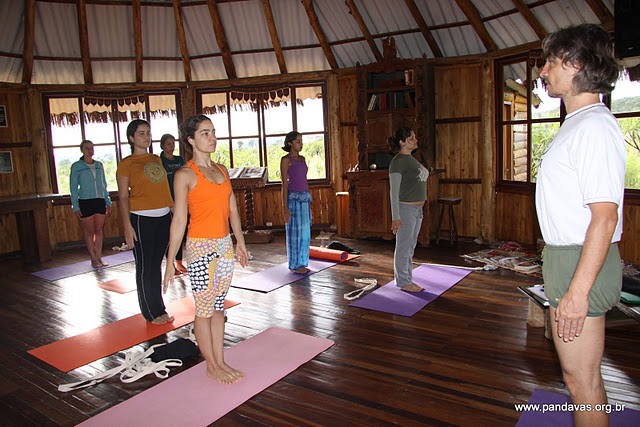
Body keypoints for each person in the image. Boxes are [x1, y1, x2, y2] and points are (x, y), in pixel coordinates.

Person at [535, 24, 626, 426]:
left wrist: (577, 291)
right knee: (583, 378)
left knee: (580, 382)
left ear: (575, 64)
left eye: (550, 62)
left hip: (580, 262)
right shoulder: (579, 123)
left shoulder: (593, 126)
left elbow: (605, 217)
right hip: (567, 258)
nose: (543, 71)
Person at [163, 114, 249, 384]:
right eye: (204, 133)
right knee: (204, 309)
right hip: (200, 248)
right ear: (190, 139)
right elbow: (178, 220)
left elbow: (232, 208)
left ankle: (221, 360)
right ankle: (211, 365)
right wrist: (169, 262)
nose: (212, 137)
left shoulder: (222, 170)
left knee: (219, 307)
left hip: (223, 245)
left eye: (213, 132)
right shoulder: (185, 174)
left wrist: (240, 243)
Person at [117, 119, 175, 325]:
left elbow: (164, 189)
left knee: (156, 265)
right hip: (141, 218)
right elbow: (123, 196)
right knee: (145, 266)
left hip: (163, 216)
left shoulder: (156, 159)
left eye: (148, 132)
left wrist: (174, 210)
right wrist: (127, 226)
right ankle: (150, 312)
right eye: (141, 133)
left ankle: (160, 308)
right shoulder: (127, 163)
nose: (146, 136)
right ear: (131, 138)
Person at [388, 127, 428, 293]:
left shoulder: (410, 159)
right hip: (406, 210)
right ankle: (404, 282)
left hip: (417, 210)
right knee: (404, 246)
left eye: (414, 137)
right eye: (411, 138)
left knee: (410, 246)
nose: (415, 140)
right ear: (402, 142)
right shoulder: (398, 162)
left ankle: (406, 278)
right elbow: (394, 192)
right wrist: (396, 217)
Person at [69, 140, 112, 268]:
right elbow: (73, 187)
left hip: (99, 200)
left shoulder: (99, 165)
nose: (90, 150)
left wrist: (107, 201)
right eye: (87, 148)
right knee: (90, 231)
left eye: (92, 148)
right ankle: (93, 258)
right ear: (82, 150)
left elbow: (104, 184)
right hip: (85, 201)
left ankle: (99, 257)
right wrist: (75, 206)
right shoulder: (77, 166)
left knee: (99, 230)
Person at [280, 131, 312, 274]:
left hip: (304, 198)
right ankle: (294, 264)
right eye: (298, 141)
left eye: (301, 141)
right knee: (294, 233)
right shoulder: (286, 160)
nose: (301, 144)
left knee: (305, 232)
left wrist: (310, 204)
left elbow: (305, 181)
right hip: (293, 199)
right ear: (290, 144)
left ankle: (302, 262)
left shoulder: (303, 159)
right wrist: (284, 208)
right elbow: (284, 185)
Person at [160, 133, 188, 275]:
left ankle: (179, 262)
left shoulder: (179, 160)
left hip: (181, 200)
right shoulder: (160, 162)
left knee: (181, 232)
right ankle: (169, 263)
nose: (171, 147)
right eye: (168, 144)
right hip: (166, 201)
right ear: (163, 145)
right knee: (169, 233)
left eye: (173, 143)